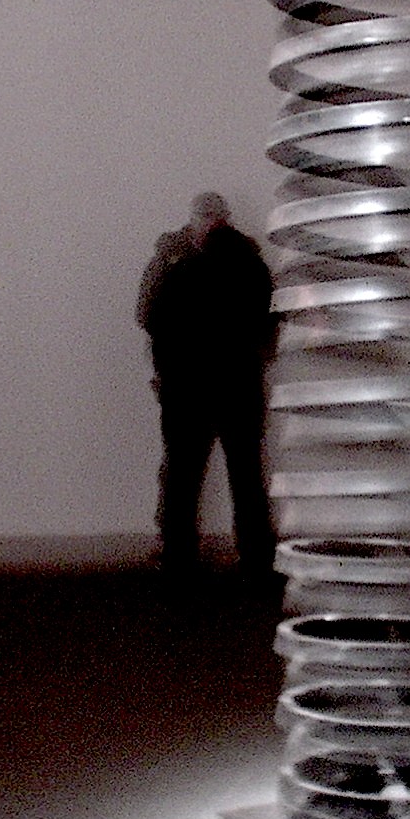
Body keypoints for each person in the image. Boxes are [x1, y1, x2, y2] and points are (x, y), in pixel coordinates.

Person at [138, 192, 279, 577]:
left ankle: (178, 556)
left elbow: (147, 315)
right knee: (242, 472)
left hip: (187, 384)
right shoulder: (248, 260)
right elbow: (268, 318)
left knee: (183, 471)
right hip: (235, 381)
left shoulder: (171, 258)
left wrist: (166, 368)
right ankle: (255, 558)